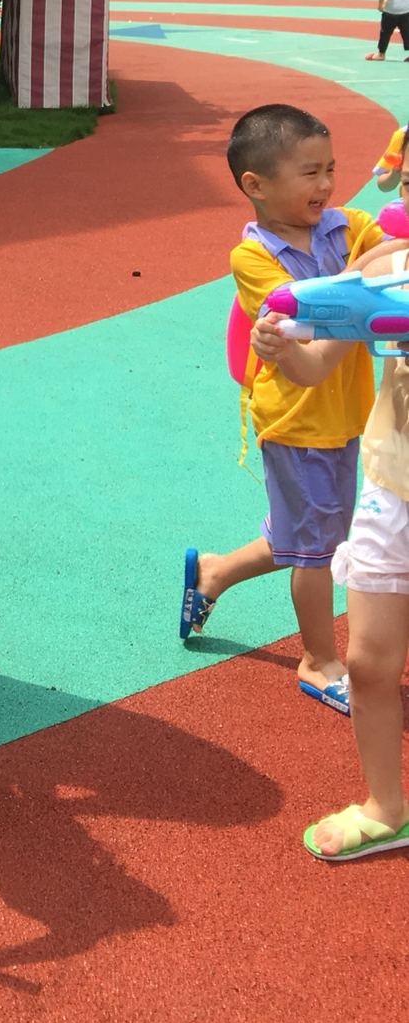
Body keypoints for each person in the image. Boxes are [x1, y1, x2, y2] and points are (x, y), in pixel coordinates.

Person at [181, 104, 383, 713]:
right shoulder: (253, 258)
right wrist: (363, 290)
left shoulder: (347, 227)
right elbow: (309, 340)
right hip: (296, 421)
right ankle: (318, 660)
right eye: (310, 173)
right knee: (317, 546)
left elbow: (393, 251)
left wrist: (372, 269)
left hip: (345, 412)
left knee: (311, 528)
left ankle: (214, 573)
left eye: (331, 169)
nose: (327, 184)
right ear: (257, 185)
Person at [275, 237, 409, 859]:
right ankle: (386, 808)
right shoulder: (386, 267)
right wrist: (281, 348)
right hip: (392, 489)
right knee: (367, 663)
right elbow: (314, 363)